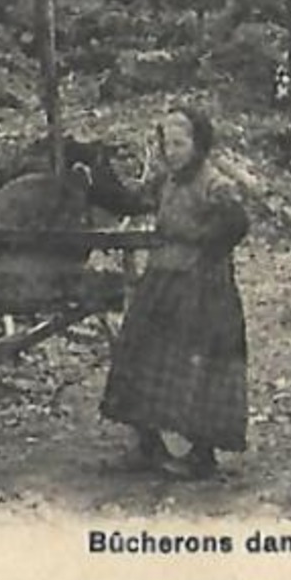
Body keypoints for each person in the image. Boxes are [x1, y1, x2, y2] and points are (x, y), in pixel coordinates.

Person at [101, 106, 251, 479]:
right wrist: (97, 173)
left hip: (202, 288)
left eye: (180, 144)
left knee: (196, 367)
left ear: (198, 144)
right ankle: (147, 445)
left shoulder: (215, 184)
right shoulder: (165, 182)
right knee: (137, 355)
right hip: (162, 282)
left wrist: (199, 242)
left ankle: (202, 456)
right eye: (167, 144)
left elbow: (236, 223)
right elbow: (132, 202)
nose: (172, 151)